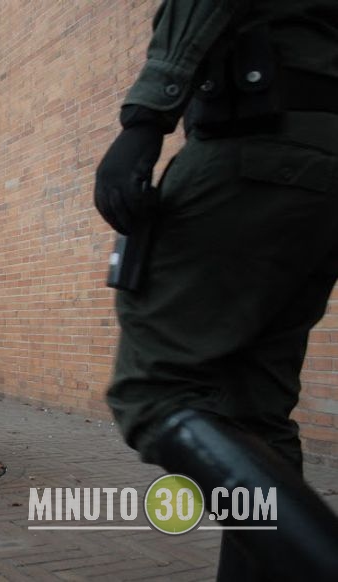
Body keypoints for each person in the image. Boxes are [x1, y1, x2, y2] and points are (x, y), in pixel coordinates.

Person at [94, 2, 338, 580]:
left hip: (255, 142)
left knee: (153, 391)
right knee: (256, 415)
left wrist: (145, 119)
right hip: (321, 162)